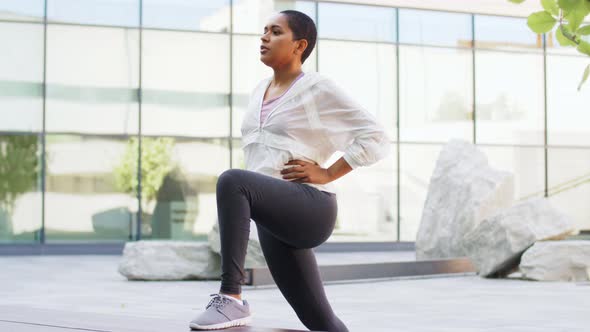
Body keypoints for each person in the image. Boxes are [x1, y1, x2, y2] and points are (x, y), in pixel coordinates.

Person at [189, 9, 391, 332]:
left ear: (299, 45)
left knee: (232, 181)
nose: (264, 36)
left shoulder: (316, 87)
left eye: (276, 31)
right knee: (321, 321)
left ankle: (231, 297)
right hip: (275, 218)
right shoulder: (258, 91)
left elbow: (376, 136)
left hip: (311, 205)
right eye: (264, 30)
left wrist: (327, 173)